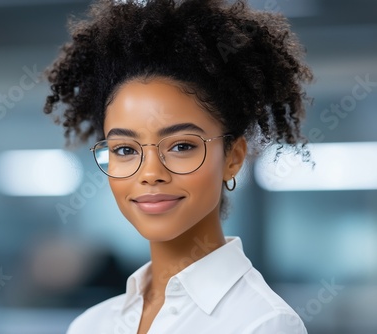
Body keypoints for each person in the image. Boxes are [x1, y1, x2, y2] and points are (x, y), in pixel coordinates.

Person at [44, 0, 313, 333]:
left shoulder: (262, 323)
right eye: (126, 149)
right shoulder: (91, 325)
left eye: (182, 146)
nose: (150, 173)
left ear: (233, 158)